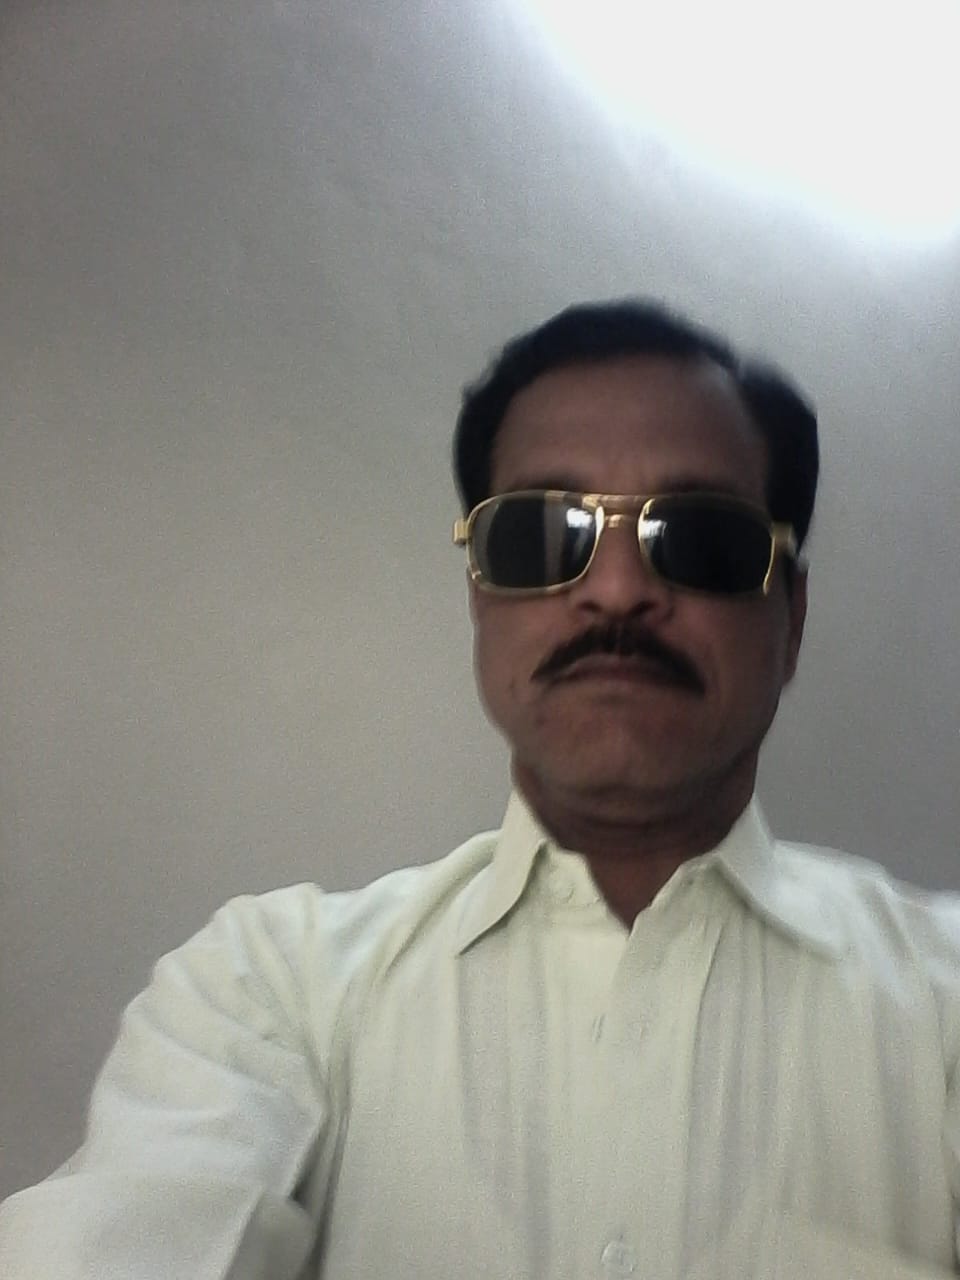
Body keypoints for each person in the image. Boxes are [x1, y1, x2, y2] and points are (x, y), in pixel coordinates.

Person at [1, 298, 958, 1279]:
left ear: (789, 619)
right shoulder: (270, 989)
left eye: (701, 537)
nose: (617, 589)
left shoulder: (944, 1003)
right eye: (538, 533)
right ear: (480, 598)